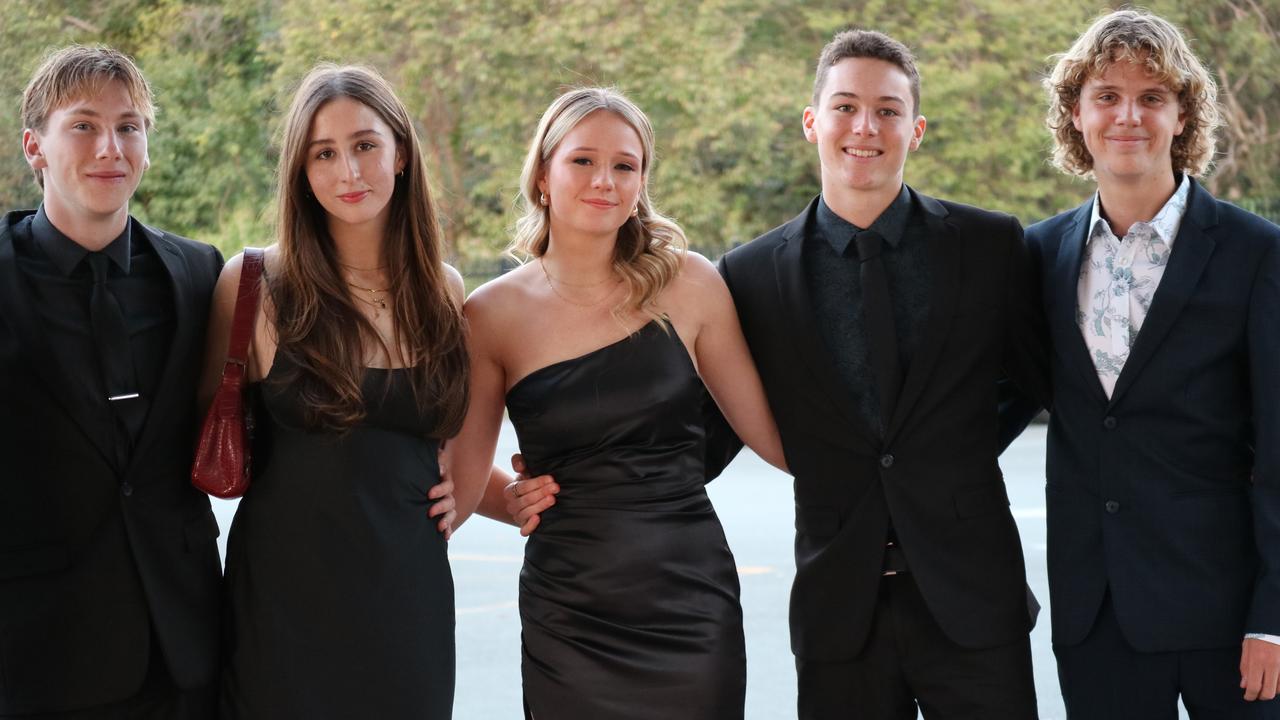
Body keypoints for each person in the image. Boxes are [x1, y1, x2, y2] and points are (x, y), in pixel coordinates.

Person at [511, 30, 1051, 719]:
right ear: (812, 122)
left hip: (975, 601)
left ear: (915, 129)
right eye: (846, 106)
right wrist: (575, 476)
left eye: (888, 111)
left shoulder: (990, 245)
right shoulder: (751, 275)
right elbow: (699, 433)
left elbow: (1035, 379)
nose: (865, 127)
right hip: (838, 612)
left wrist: (955, 449)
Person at [448, 87, 787, 720]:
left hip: (689, 601)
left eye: (625, 165)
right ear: (543, 176)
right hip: (568, 610)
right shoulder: (489, 315)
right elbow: (460, 484)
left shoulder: (690, 285)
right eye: (582, 161)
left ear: (641, 183)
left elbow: (774, 437)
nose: (604, 180)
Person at [1015, 9, 1280, 717]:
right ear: (1076, 114)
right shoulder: (1037, 256)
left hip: (1228, 613)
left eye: (1152, 96)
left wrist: (1273, 617)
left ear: (1184, 116)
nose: (1127, 115)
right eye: (1106, 95)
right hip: (1096, 613)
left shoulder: (1257, 253)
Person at [204, 65, 463, 719]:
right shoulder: (254, 284)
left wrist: (515, 497)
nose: (349, 171)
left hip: (411, 598)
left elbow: (440, 457)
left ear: (401, 153)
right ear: (301, 169)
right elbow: (193, 434)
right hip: (285, 600)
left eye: (365, 145)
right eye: (325, 153)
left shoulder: (445, 291)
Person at [0, 46, 222, 718]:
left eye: (129, 126)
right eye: (84, 126)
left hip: (184, 646)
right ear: (35, 147)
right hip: (36, 655)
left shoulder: (200, 273)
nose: (111, 147)